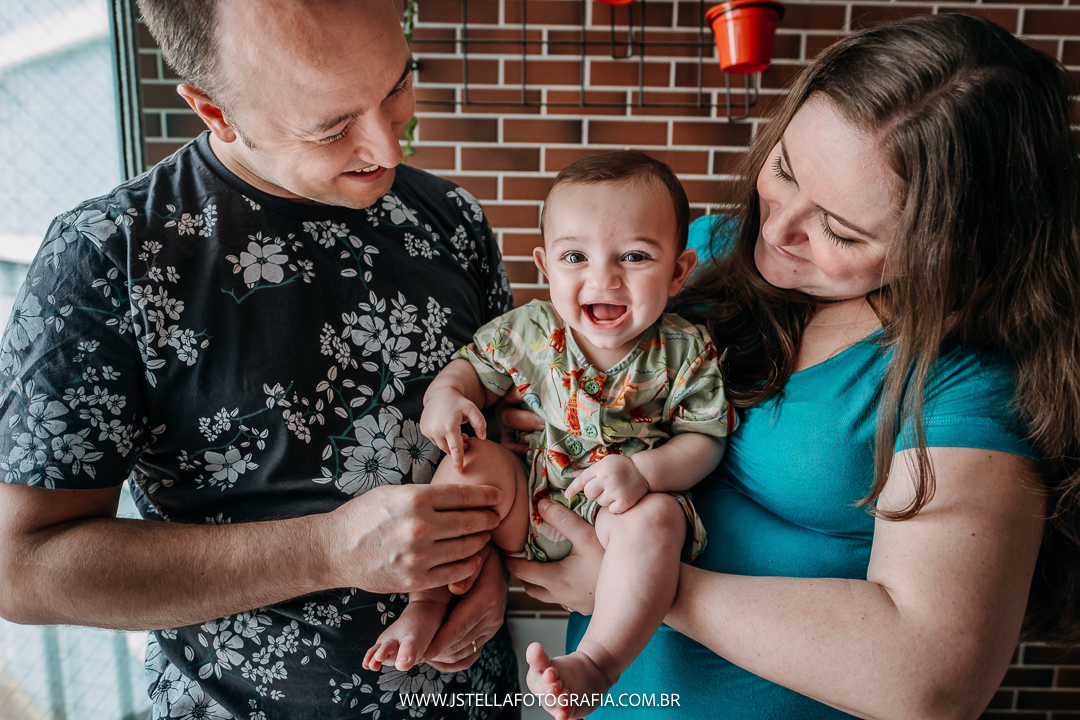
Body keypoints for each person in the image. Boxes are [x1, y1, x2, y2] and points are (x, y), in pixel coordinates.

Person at [505, 13, 1080, 719]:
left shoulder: (969, 379)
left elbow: (930, 679)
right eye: (785, 169)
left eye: (839, 229)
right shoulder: (707, 254)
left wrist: (638, 586)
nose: (776, 231)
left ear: (951, 246)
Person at [0, 0, 524, 718]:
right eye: (334, 127)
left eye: (398, 86)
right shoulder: (107, 257)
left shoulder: (454, 220)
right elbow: (21, 569)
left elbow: (515, 429)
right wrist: (329, 550)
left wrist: (490, 560)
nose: (387, 149)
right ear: (214, 112)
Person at [363, 151, 736, 718]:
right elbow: (472, 367)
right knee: (472, 464)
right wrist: (447, 397)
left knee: (658, 519)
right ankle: (426, 599)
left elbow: (705, 438)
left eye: (635, 256)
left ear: (679, 271)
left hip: (619, 518)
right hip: (528, 504)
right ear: (545, 264)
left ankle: (598, 661)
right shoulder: (530, 330)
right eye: (575, 256)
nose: (603, 277)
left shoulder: (684, 348)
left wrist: (644, 474)